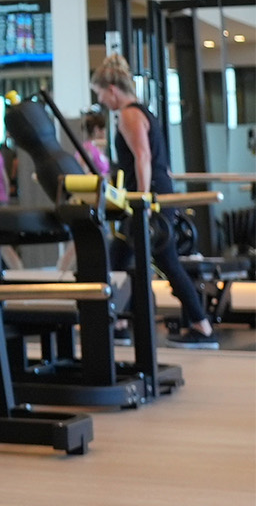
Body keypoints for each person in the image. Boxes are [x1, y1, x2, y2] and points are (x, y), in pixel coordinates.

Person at [91, 54, 216, 349]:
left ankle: (201, 326)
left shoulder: (128, 114)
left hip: (147, 199)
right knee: (117, 258)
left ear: (112, 90)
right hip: (151, 194)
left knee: (164, 261)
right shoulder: (143, 111)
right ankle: (120, 323)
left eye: (99, 94)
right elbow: (158, 160)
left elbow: (144, 157)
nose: (100, 101)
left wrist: (143, 200)